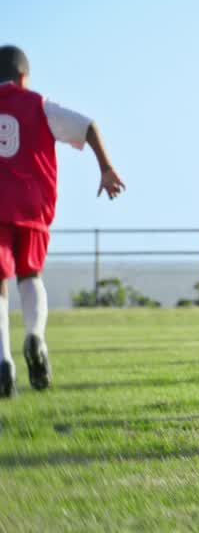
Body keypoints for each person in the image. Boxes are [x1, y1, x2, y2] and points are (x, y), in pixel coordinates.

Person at [0, 45, 125, 398]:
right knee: (30, 276)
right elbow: (87, 125)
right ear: (24, 77)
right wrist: (106, 168)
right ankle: (35, 336)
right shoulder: (39, 104)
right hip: (33, 207)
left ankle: (3, 361)